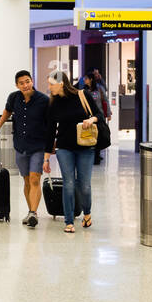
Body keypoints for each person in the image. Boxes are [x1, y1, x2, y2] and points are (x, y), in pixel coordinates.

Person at [0, 70, 51, 228]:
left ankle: (33, 213)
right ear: (17, 85)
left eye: (27, 81)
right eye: (21, 83)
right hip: (21, 145)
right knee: (26, 180)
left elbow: (51, 124)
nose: (25, 85)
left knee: (34, 179)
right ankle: (31, 211)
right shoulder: (14, 97)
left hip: (38, 145)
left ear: (32, 81)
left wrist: (50, 148)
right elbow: (7, 111)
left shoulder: (43, 100)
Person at [45, 71, 100, 234]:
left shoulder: (83, 95)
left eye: (51, 84)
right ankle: (69, 221)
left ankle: (87, 213)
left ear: (61, 83)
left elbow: (99, 115)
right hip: (64, 148)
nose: (49, 88)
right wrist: (46, 158)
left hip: (85, 147)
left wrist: (91, 120)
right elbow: (50, 131)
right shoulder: (54, 103)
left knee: (84, 185)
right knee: (68, 183)